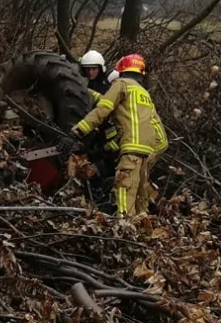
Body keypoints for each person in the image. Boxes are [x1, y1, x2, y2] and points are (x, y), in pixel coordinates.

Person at [64, 54, 168, 217]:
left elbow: (103, 109)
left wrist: (76, 132)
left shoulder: (121, 84)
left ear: (122, 70)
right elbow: (162, 141)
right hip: (145, 156)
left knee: (124, 196)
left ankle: (124, 238)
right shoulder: (145, 96)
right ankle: (141, 238)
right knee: (141, 205)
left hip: (130, 153)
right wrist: (149, 160)